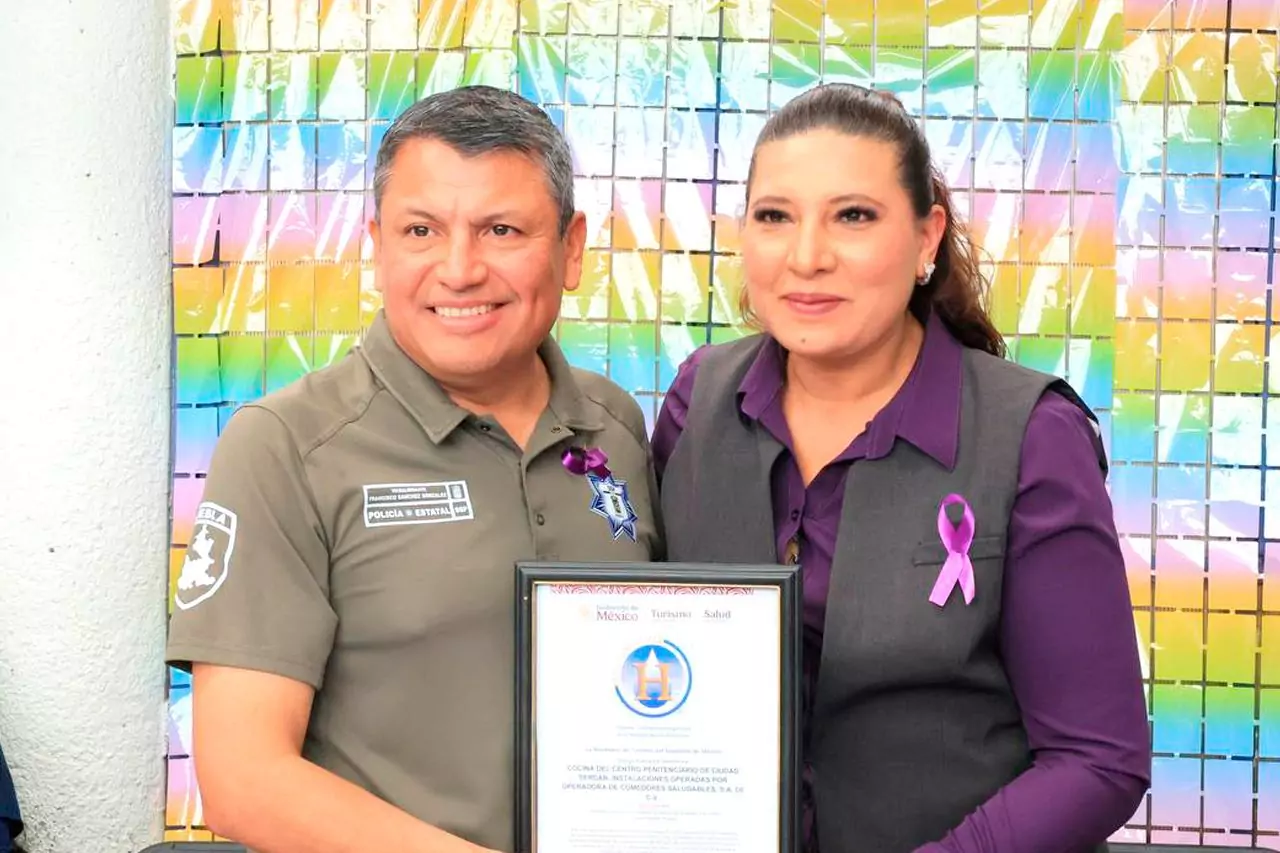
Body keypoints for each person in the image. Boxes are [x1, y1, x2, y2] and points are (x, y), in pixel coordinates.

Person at [652, 83, 1150, 853]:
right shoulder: (697, 400)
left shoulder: (1031, 434)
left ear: (926, 240)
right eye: (774, 216)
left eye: (853, 215)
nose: (807, 256)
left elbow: (1097, 759)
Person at [166, 85, 663, 853]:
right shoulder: (285, 447)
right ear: (378, 245)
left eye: (501, 229)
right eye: (421, 229)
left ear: (571, 249)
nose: (459, 269)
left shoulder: (615, 426)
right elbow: (243, 778)